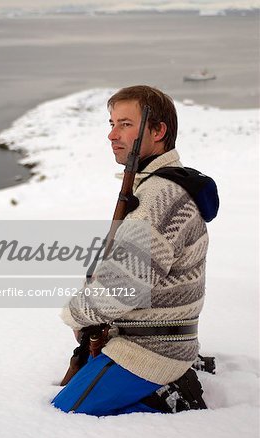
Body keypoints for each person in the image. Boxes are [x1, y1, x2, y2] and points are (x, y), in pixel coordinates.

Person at [51, 85, 219, 416]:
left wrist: (75, 314)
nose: (113, 134)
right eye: (111, 123)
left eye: (126, 124)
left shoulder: (160, 198)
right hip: (152, 335)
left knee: (65, 414)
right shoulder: (157, 185)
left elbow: (123, 289)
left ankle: (170, 398)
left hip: (151, 350)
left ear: (158, 131)